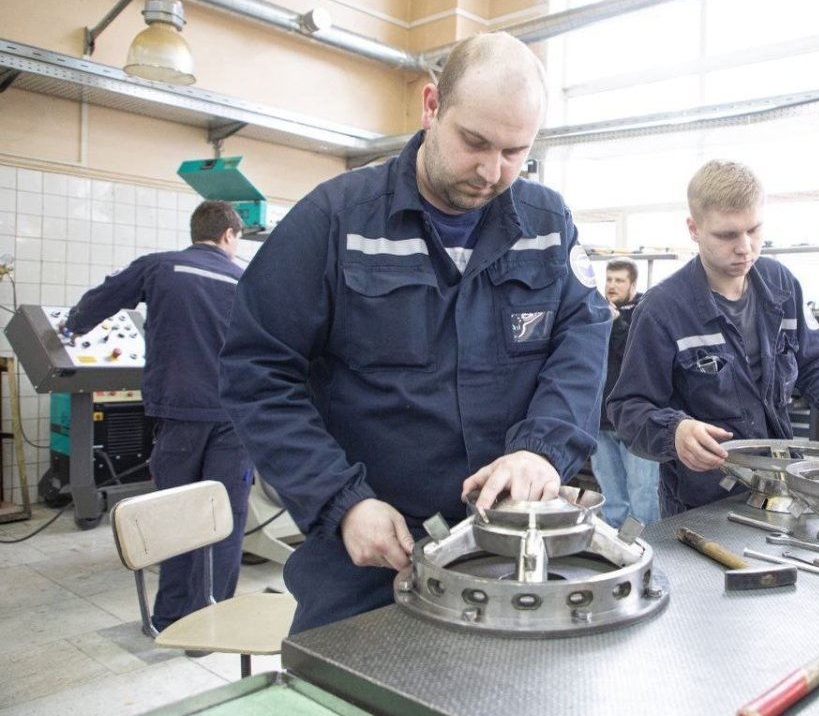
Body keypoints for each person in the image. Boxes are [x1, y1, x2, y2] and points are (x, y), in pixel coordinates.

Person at [218, 32, 612, 634]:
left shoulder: (548, 223)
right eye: (474, 142)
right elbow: (257, 372)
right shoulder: (334, 222)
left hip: (505, 546)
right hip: (369, 553)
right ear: (431, 107)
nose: (490, 171)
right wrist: (341, 502)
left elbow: (582, 336)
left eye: (515, 152)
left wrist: (542, 448)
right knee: (344, 711)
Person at [608, 159, 819, 516]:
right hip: (703, 505)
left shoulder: (782, 286)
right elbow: (628, 408)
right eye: (727, 235)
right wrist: (674, 432)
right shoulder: (663, 310)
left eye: (754, 230)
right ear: (694, 228)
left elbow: (815, 363)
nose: (745, 248)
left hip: (783, 489)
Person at [63, 200, 250, 633]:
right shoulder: (245, 279)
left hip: (180, 411)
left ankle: (170, 619)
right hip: (234, 416)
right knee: (224, 515)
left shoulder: (161, 267)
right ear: (228, 235)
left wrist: (72, 325)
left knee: (177, 514)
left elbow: (101, 300)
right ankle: (216, 616)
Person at [591, 259, 660, 526]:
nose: (612, 285)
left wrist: (617, 324)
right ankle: (616, 557)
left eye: (619, 280)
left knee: (643, 494)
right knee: (611, 498)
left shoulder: (645, 313)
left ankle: (652, 555)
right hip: (601, 422)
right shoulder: (597, 312)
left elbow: (639, 359)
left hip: (636, 421)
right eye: (609, 279)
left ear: (633, 284)